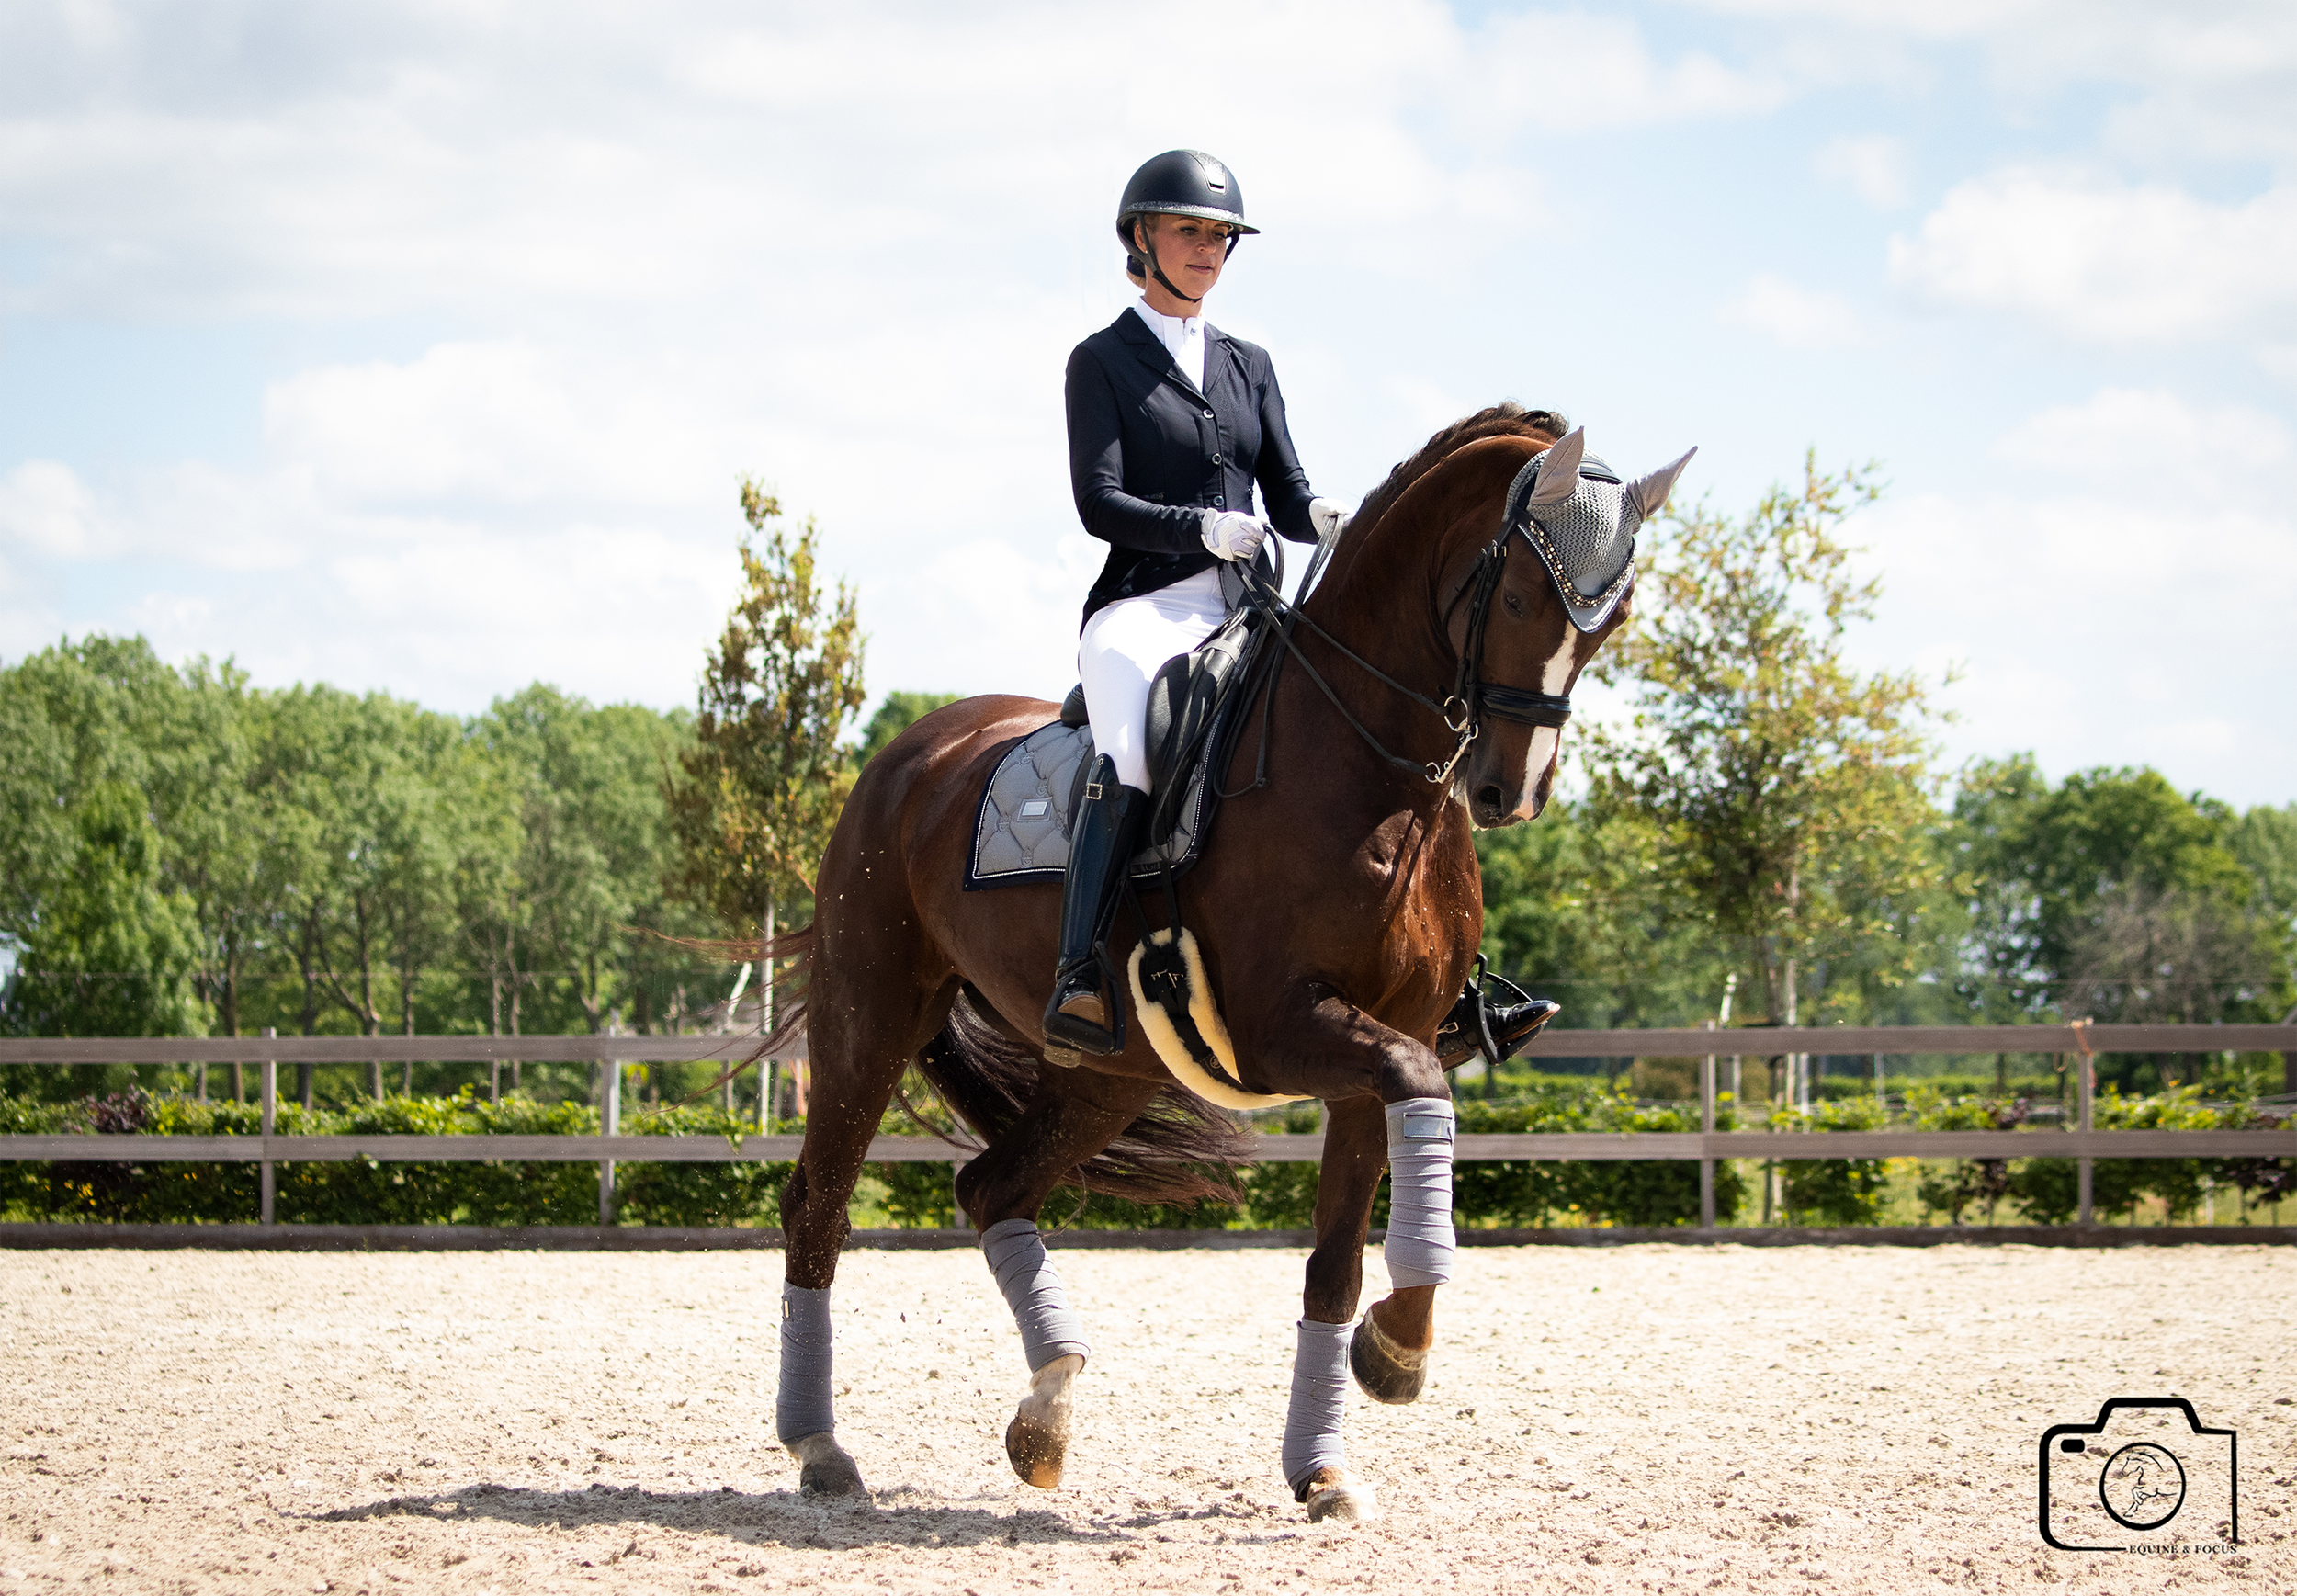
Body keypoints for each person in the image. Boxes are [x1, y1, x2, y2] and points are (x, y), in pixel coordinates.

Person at [1045, 149, 1555, 1071]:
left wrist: (1319, 516)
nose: (1208, 249)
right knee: (1127, 741)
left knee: (1372, 736)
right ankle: (1079, 966)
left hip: (1248, 606)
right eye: (1190, 232)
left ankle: (1447, 981)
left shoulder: (1249, 363)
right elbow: (1099, 503)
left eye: (1220, 237)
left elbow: (1285, 491)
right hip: (1142, 607)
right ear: (1141, 238)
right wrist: (1200, 529)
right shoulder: (1101, 362)